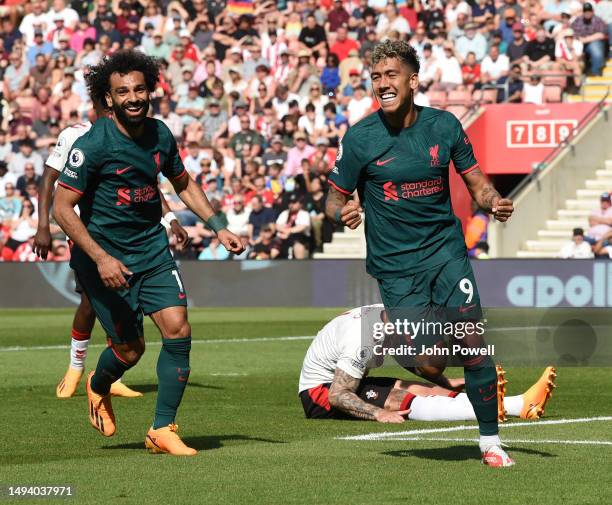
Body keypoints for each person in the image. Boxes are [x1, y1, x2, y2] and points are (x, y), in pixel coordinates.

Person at [325, 40, 515, 467]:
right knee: (430, 362)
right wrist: (344, 212)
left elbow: (478, 182)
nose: (382, 84)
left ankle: (490, 443)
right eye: (376, 77)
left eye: (391, 75)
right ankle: (409, 341)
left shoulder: (444, 126)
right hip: (396, 269)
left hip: (445, 254)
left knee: (475, 345)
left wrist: (492, 200)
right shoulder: (359, 138)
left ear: (413, 81)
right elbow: (332, 201)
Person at [52, 50, 243, 455]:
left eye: (140, 88)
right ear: (108, 99)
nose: (133, 97)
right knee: (129, 350)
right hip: (106, 260)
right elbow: (61, 208)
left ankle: (162, 429)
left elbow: (183, 183)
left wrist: (218, 226)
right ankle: (98, 385)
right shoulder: (92, 145)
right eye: (123, 92)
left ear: (150, 90)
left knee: (178, 329)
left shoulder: (160, 134)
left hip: (152, 252)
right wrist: (101, 258)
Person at [34, 95, 190, 400]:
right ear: (98, 105)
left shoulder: (136, 136)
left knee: (123, 310)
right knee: (90, 304)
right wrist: (43, 226)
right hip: (86, 232)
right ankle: (76, 366)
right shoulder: (76, 135)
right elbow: (48, 178)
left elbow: (145, 185)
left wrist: (170, 218)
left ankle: (112, 372)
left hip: (132, 237)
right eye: (106, 108)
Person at [299, 305, 557, 424]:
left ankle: (511, 404)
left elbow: (407, 359)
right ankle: (515, 405)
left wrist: (444, 383)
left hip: (350, 381)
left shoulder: (387, 318)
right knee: (399, 398)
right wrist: (378, 413)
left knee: (427, 390)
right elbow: (337, 395)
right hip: (319, 393)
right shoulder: (361, 339)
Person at [571, 2, 608, 76]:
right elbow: (571, 31)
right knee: (573, 48)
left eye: (589, 11)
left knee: (596, 49)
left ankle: (596, 72)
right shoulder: (578, 20)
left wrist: (586, 39)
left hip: (594, 42)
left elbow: (602, 35)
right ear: (583, 12)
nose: (587, 13)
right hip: (579, 42)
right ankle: (579, 75)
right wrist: (579, 39)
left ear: (592, 11)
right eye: (585, 11)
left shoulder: (598, 20)